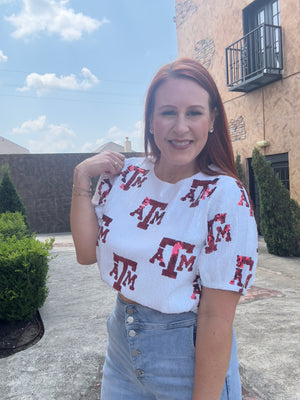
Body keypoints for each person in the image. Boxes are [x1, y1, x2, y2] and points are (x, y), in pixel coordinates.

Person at [70, 58, 258, 400]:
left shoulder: (224, 195)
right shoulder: (124, 176)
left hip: (186, 354)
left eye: (195, 113)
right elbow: (86, 254)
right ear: (151, 121)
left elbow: (216, 315)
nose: (180, 127)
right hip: (121, 347)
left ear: (213, 119)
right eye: (169, 112)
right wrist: (81, 179)